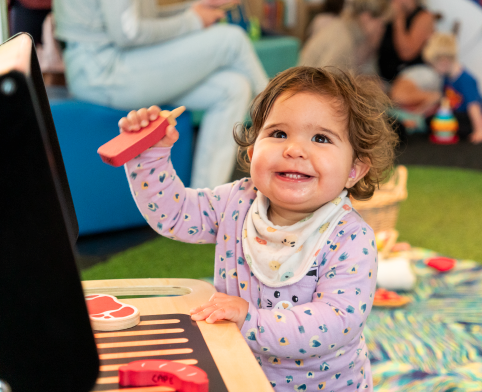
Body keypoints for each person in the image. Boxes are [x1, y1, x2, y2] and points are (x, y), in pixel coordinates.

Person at [118, 66, 398, 391]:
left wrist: (250, 319)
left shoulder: (350, 238)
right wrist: (149, 154)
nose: (294, 149)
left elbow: (336, 322)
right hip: (239, 374)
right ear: (252, 152)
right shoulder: (237, 201)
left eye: (321, 138)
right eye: (278, 134)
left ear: (354, 169)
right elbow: (176, 214)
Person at [53, 0, 268, 189]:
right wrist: (193, 20)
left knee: (233, 87)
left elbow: (139, 19)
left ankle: (206, 206)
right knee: (231, 39)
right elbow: (128, 33)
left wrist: (193, 9)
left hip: (115, 67)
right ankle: (280, 120)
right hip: (104, 73)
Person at [423, 32, 482, 143]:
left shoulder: (466, 79)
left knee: (438, 123)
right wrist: (419, 113)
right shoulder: (446, 78)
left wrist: (480, 130)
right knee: (429, 120)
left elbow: (474, 106)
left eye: (434, 65)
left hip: (467, 118)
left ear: (444, 61)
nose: (434, 70)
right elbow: (440, 99)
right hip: (454, 114)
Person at [300, 0, 389, 76]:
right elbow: (329, 81)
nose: (382, 29)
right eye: (381, 24)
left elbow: (371, 74)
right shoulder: (343, 38)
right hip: (309, 86)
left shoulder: (355, 32)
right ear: (366, 17)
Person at [377, 0, 434, 83]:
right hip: (382, 75)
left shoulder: (424, 17)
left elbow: (406, 53)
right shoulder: (388, 12)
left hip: (408, 77)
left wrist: (399, 17)